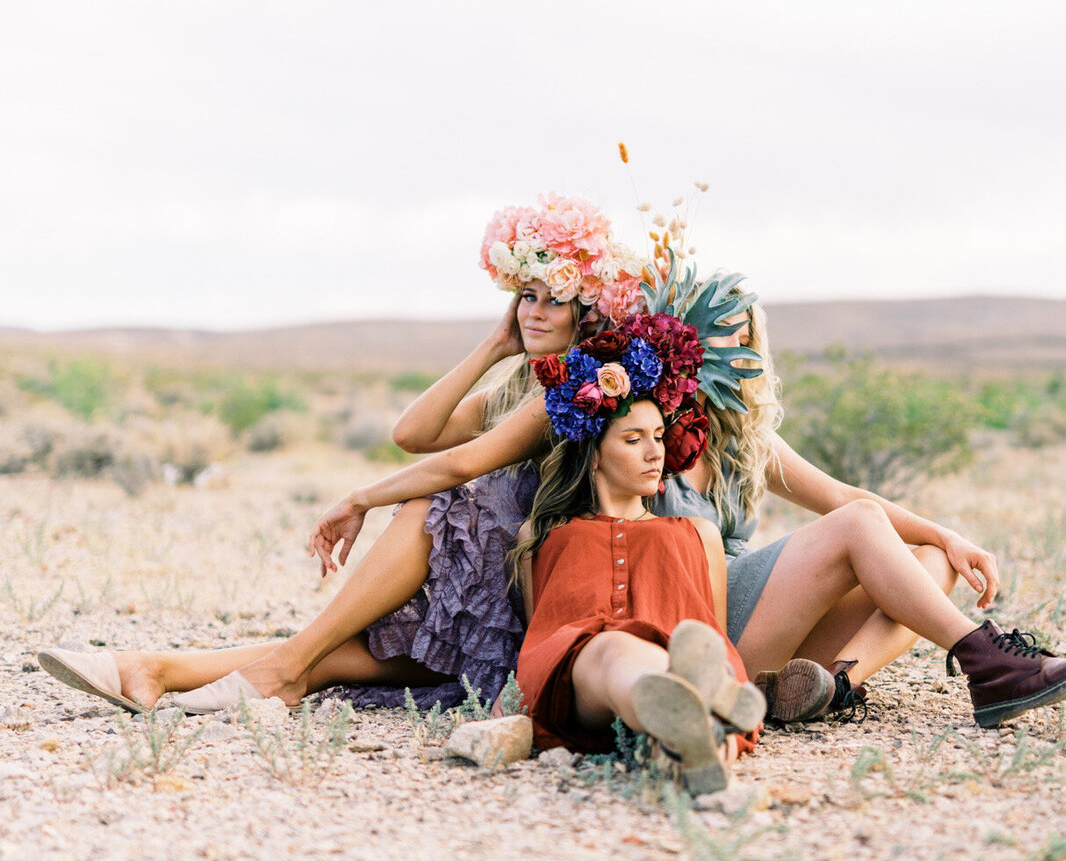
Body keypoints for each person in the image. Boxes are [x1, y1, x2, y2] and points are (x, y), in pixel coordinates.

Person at [37, 195, 645, 716]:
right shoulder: (519, 383)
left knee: (432, 501)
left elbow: (461, 466)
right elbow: (414, 431)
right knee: (337, 656)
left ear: (587, 309)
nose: (534, 312)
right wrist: (493, 345)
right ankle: (153, 669)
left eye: (552, 299)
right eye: (524, 296)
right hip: (486, 593)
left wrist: (358, 498)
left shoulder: (580, 389)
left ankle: (274, 668)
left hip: (534, 595)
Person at [644, 255, 1066, 728]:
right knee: (861, 522)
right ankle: (988, 663)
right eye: (723, 332)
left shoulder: (742, 435)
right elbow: (853, 514)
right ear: (680, 331)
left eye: (745, 338)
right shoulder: (639, 428)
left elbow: (839, 495)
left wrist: (948, 537)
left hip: (763, 629)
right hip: (701, 625)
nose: (736, 349)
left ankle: (826, 688)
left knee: (933, 560)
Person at [511, 324, 765, 793]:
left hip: (676, 657)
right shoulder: (544, 534)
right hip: (583, 676)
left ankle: (696, 746)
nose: (655, 452)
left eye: (659, 436)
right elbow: (542, 635)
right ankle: (696, 705)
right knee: (615, 649)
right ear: (593, 456)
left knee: (683, 661)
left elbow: (714, 637)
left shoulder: (699, 534)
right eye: (633, 440)